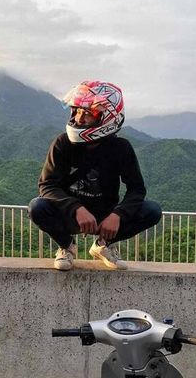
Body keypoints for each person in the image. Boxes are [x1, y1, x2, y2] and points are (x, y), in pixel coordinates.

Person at [28, 80, 162, 270]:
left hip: (105, 217)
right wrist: (76, 208)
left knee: (152, 211)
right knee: (37, 207)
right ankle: (67, 246)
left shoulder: (121, 148)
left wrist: (117, 214)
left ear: (107, 118)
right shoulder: (62, 143)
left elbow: (137, 189)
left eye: (88, 113)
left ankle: (103, 245)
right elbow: (47, 185)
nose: (79, 118)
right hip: (71, 214)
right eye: (77, 111)